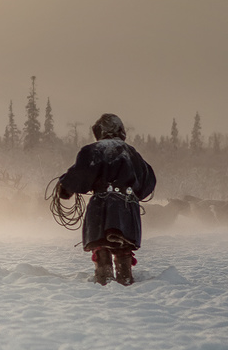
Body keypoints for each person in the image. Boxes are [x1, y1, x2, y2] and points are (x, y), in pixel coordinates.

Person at [57, 113, 156, 285]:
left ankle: (104, 282)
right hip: (128, 208)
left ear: (99, 131)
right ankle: (125, 280)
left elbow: (79, 175)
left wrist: (65, 189)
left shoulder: (92, 151)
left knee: (101, 246)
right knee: (124, 249)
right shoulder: (132, 153)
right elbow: (148, 181)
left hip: (102, 207)